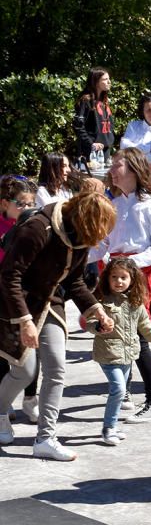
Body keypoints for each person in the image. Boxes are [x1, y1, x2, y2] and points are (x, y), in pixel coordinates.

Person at [0, 191, 116, 459]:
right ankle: (1, 412)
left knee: (56, 369)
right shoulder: (39, 228)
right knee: (24, 372)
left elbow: (74, 281)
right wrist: (25, 320)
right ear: (82, 219)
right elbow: (9, 276)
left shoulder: (80, 234)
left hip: (50, 302)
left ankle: (45, 438)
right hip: (16, 304)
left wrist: (96, 309)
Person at [90, 148, 151, 424]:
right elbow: (102, 243)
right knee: (115, 335)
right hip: (116, 277)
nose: (112, 170)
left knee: (139, 339)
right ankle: (124, 392)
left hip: (145, 279)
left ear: (134, 170)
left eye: (117, 165)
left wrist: (128, 263)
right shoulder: (112, 204)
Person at [91, 258, 151, 445]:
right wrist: (98, 326)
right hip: (108, 353)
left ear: (132, 279)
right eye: (114, 277)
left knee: (119, 393)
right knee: (119, 389)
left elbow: (144, 323)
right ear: (107, 278)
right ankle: (107, 429)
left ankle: (113, 426)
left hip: (128, 354)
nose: (119, 281)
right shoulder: (101, 300)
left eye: (123, 277)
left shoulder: (135, 301)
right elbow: (88, 322)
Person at [0, 176, 38, 423]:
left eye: (30, 203)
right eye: (20, 203)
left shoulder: (32, 224)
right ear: (5, 202)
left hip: (27, 294)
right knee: (5, 352)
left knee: (33, 347)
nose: (27, 208)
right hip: (3, 294)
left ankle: (30, 398)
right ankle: (5, 403)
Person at [73, 67, 115, 162]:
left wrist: (110, 141)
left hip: (105, 150)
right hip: (91, 151)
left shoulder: (104, 101)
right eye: (105, 79)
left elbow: (109, 125)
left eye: (109, 79)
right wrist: (90, 143)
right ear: (95, 82)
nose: (109, 82)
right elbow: (78, 125)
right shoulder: (86, 100)